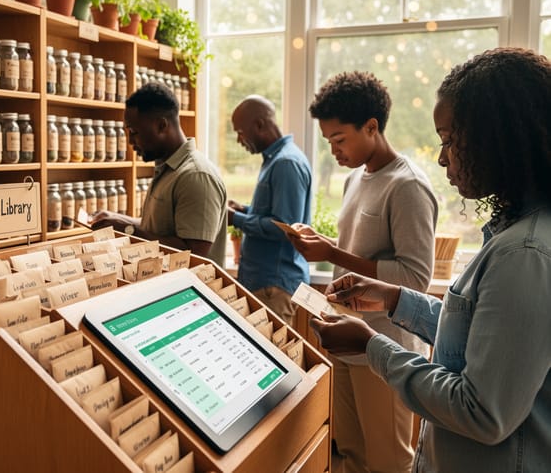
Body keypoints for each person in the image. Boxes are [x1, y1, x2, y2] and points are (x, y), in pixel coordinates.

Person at [311, 47, 551, 472]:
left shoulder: (524, 254)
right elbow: (478, 328)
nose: (443, 158)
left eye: (450, 142)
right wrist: (395, 300)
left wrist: (372, 346)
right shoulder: (511, 234)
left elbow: (482, 412)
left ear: (498, 140)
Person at [290, 71, 438, 473]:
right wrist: (326, 246)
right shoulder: (355, 178)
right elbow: (356, 254)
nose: (334, 151)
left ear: (372, 127)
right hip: (345, 339)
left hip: (387, 346)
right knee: (351, 455)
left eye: (340, 140)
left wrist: (333, 251)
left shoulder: (408, 186)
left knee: (389, 461)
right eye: (329, 143)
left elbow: (415, 279)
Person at [91, 83, 228, 265]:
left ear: (162, 125)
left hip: (186, 292)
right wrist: (118, 220)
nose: (130, 141)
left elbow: (192, 253)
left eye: (134, 132)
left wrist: (128, 230)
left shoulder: (196, 176)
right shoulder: (169, 170)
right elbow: (160, 230)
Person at [226, 95, 312, 324]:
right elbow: (273, 212)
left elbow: (285, 227)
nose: (238, 140)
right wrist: (244, 209)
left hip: (273, 286)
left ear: (260, 125)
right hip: (266, 284)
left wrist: (236, 218)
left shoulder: (286, 163)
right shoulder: (276, 160)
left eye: (240, 132)